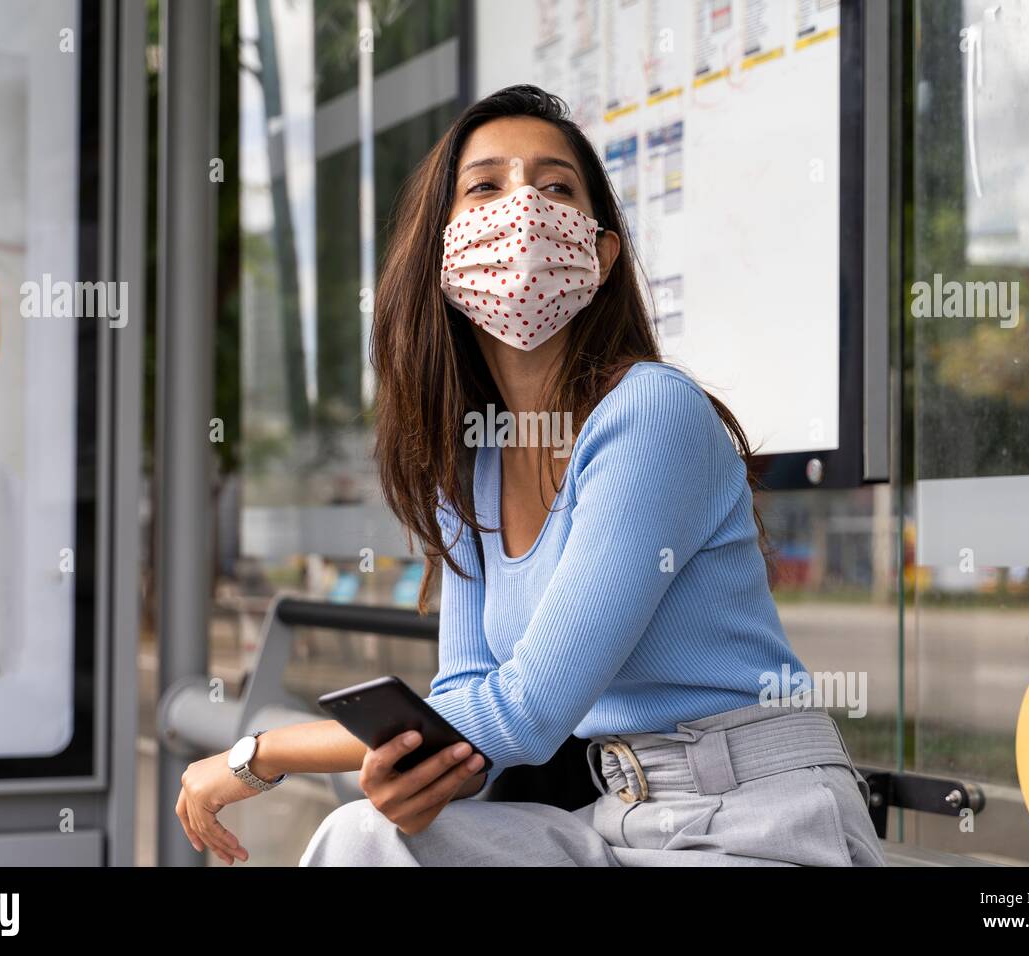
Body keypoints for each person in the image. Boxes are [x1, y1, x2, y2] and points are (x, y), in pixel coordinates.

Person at [174, 84, 886, 867]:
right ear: (444, 250)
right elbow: (467, 702)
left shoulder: (651, 412)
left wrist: (260, 754)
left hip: (756, 826)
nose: (523, 210)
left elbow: (526, 711)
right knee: (364, 837)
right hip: (618, 823)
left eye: (555, 188)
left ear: (601, 251)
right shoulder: (470, 468)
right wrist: (426, 776)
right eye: (485, 186)